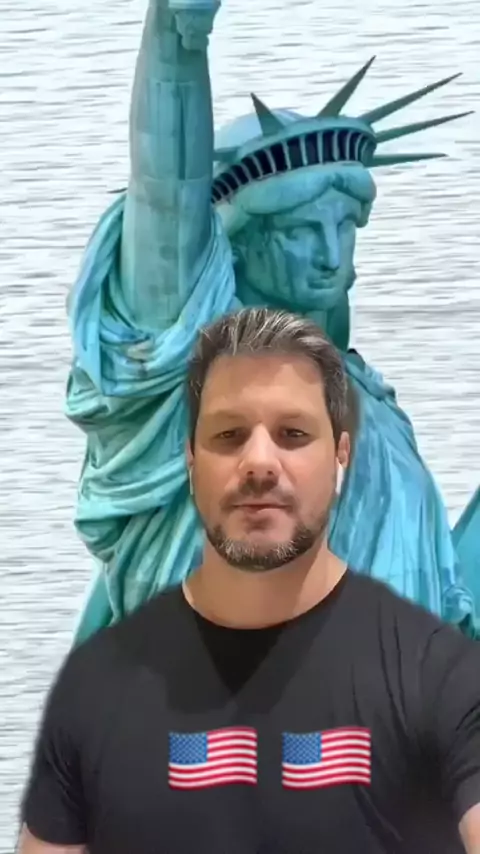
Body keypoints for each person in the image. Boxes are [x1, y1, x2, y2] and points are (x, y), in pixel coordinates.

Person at [65, 0, 479, 645]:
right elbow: (166, 196)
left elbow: (440, 605)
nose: (331, 255)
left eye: (344, 227)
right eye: (301, 231)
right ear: (240, 242)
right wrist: (177, 40)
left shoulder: (373, 408)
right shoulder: (192, 369)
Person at [19, 309, 480, 853]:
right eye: (230, 435)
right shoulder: (96, 693)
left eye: (293, 434)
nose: (260, 462)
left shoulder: (440, 680)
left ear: (341, 454)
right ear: (191, 459)